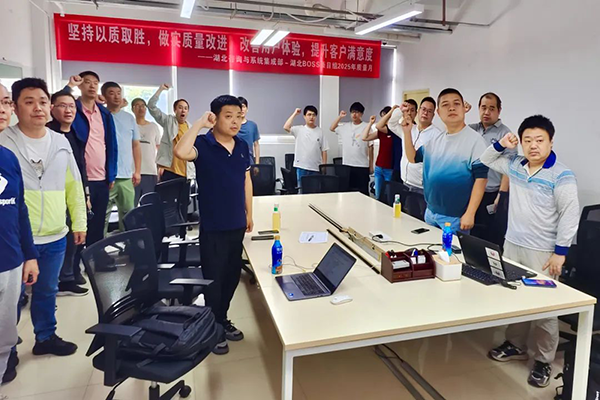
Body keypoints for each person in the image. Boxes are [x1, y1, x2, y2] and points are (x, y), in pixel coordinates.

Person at [483, 115, 579, 388]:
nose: (533, 145)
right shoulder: (515, 165)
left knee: (545, 309)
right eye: (527, 140)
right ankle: (515, 344)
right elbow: (486, 159)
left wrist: (560, 252)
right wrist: (502, 144)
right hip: (513, 244)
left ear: (550, 142)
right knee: (516, 298)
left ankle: (544, 360)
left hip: (543, 252)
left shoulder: (561, 175)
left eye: (539, 140)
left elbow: (570, 215)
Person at [0, 78, 86, 358]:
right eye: (29, 102)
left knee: (48, 291)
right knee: (10, 299)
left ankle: (46, 337)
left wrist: (79, 221)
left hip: (54, 232)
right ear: (15, 107)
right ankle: (7, 350)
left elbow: (74, 184)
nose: (38, 108)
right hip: (14, 238)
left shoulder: (60, 142)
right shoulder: (4, 141)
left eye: (43, 102)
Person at [173, 95, 253, 356]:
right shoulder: (203, 144)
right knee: (214, 280)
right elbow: (180, 152)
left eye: (238, 116)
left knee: (231, 278)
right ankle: (213, 326)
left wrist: (249, 213)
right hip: (214, 226)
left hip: (236, 223)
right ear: (215, 118)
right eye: (228, 116)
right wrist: (199, 123)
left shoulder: (242, 145)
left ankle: (221, 318)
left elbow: (246, 180)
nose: (235, 122)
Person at [401, 88, 489, 233]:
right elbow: (413, 158)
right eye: (445, 105)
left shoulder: (475, 141)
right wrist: (407, 132)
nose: (451, 108)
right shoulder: (435, 140)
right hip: (430, 212)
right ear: (439, 112)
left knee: (450, 249)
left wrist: (470, 213)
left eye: (456, 103)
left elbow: (481, 179)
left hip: (455, 217)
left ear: (464, 108)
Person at [0, 83, 39, 389]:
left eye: (4, 102)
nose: (2, 109)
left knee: (4, 339)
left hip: (11, 260)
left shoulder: (8, 158)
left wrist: (30, 255)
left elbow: (19, 209)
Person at [66, 72, 118, 269]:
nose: (92, 86)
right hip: (79, 178)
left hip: (101, 178)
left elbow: (111, 145)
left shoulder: (104, 113)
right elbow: (57, 103)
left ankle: (96, 261)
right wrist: (69, 86)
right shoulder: (73, 109)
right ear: (80, 86)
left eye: (95, 83)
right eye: (87, 82)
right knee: (79, 223)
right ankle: (74, 267)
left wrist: (111, 174)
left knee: (97, 224)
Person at [47, 90, 89, 296]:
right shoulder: (47, 134)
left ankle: (68, 277)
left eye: (71, 106)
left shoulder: (75, 134)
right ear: (51, 108)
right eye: (62, 105)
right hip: (52, 198)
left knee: (76, 237)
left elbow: (80, 168)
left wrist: (85, 195)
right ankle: (55, 280)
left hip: (74, 194)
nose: (68, 110)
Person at [467, 92, 515, 244]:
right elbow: (453, 130)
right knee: (470, 232)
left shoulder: (505, 134)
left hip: (491, 193)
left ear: (499, 111)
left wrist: (501, 195)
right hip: (470, 190)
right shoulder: (471, 129)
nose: (486, 112)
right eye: (483, 108)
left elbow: (508, 169)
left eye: (491, 108)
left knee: (488, 235)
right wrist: (462, 111)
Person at [101, 82, 141, 232]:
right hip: (105, 176)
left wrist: (137, 171)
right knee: (102, 216)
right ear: (104, 96)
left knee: (128, 215)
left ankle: (128, 244)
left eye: (119, 93)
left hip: (126, 176)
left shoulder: (129, 118)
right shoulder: (100, 116)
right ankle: (100, 245)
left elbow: (136, 145)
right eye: (111, 93)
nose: (116, 96)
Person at [148, 84, 194, 182]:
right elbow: (151, 107)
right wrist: (160, 90)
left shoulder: (190, 128)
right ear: (175, 110)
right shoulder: (168, 121)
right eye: (180, 107)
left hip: (186, 172)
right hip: (169, 169)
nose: (183, 110)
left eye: (185, 108)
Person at [330, 102, 373, 195]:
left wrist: (371, 165)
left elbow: (370, 147)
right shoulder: (345, 127)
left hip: (362, 165)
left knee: (362, 193)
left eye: (357, 112)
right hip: (347, 165)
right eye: (352, 112)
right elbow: (332, 128)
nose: (354, 114)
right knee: (347, 193)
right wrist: (340, 117)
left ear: (361, 114)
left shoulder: (367, 127)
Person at [283, 106, 329, 190]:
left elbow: (324, 150)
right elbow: (286, 127)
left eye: (314, 115)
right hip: (302, 167)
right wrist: (295, 114)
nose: (311, 117)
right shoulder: (299, 129)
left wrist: (324, 167)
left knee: (315, 192)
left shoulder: (320, 132)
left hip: (315, 168)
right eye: (309, 114)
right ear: (304, 116)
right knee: (302, 192)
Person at [376, 99, 418, 183]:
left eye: (412, 110)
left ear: (416, 113)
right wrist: (398, 110)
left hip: (412, 171)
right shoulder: (399, 128)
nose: (409, 113)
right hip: (396, 168)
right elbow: (385, 125)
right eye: (406, 110)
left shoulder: (418, 130)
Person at [132, 98, 161, 204]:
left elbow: (159, 148)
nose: (141, 108)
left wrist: (160, 167)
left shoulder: (153, 126)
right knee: (131, 205)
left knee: (149, 205)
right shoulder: (130, 125)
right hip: (133, 172)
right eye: (137, 106)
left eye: (143, 106)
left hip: (150, 172)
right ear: (132, 109)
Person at [362, 106, 392, 199]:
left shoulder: (395, 131)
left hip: (390, 168)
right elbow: (364, 137)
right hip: (379, 167)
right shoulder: (381, 132)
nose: (383, 120)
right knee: (378, 196)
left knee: (389, 197)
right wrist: (370, 123)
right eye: (382, 117)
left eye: (385, 117)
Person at [237, 96, 261, 163]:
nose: (241, 109)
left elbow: (256, 145)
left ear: (247, 109)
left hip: (249, 161)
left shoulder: (252, 125)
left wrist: (257, 164)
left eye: (243, 106)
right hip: (235, 161)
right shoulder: (232, 125)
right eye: (239, 107)